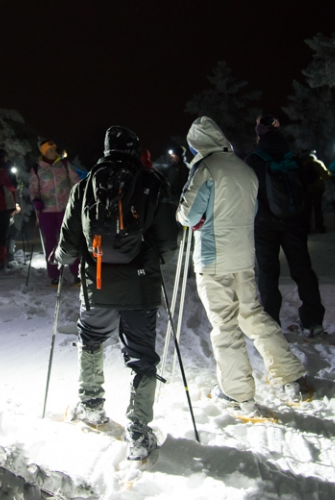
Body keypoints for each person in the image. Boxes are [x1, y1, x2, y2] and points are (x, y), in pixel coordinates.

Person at [55, 126, 177, 462]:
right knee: (142, 356)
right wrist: (148, 257)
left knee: (92, 338)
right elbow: (169, 241)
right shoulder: (152, 183)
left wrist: (62, 259)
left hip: (98, 282)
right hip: (140, 282)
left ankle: (92, 404)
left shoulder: (84, 186)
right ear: (136, 148)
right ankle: (138, 432)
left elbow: (67, 246)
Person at [177, 116, 309, 418]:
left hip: (213, 259)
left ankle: (237, 393)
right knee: (253, 314)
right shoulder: (245, 168)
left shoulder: (206, 169)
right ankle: (290, 375)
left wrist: (189, 214)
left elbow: (187, 214)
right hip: (243, 256)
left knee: (225, 325)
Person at [245, 115, 326, 336]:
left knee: (268, 273)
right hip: (294, 221)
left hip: (264, 223)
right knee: (303, 270)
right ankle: (313, 321)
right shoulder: (293, 157)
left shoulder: (254, 159)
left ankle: (271, 324)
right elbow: (310, 186)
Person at [29, 139, 81, 285]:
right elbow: (33, 188)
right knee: (50, 242)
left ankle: (77, 272)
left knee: (69, 240)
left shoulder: (64, 164)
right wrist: (35, 201)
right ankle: (54, 275)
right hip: (46, 210)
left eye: (55, 149)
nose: (54, 152)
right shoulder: (37, 168)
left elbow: (75, 181)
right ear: (44, 152)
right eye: (50, 150)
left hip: (65, 208)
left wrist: (76, 198)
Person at [299, 150, 329, 234]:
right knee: (317, 208)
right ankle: (319, 227)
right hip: (317, 188)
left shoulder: (300, 164)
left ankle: (307, 227)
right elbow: (325, 175)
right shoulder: (316, 163)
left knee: (307, 209)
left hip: (306, 190)